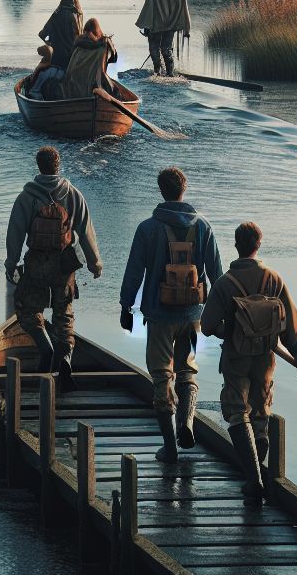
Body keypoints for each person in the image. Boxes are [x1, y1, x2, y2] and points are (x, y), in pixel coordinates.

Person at [199, 222, 297, 507]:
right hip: (266, 357)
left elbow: (208, 326)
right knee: (261, 410)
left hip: (236, 357)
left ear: (236, 245)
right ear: (259, 244)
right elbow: (292, 323)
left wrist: (229, 329)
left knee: (236, 411)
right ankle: (258, 460)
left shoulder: (225, 283)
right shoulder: (273, 278)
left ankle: (254, 479)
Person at [119, 167, 223, 462]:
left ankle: (170, 447)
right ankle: (187, 423)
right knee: (187, 370)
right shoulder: (203, 227)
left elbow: (134, 272)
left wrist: (126, 306)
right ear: (184, 189)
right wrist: (220, 312)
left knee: (162, 375)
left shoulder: (147, 228)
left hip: (159, 314)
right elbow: (218, 274)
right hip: (193, 315)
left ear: (161, 191)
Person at [6, 146, 101, 392]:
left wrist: (11, 263)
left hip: (36, 262)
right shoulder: (72, 194)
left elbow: (15, 233)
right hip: (65, 264)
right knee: (64, 313)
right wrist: (94, 263)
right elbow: (86, 230)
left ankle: (45, 346)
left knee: (27, 309)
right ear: (58, 166)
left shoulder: (26, 197)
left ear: (39, 166)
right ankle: (66, 358)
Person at [136, 0, 191, 77]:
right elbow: (184, 6)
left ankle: (157, 72)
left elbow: (149, 6)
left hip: (156, 23)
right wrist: (186, 27)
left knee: (154, 48)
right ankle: (170, 73)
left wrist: (146, 25)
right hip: (172, 23)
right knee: (167, 49)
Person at [58, 17, 117, 99]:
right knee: (114, 91)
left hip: (73, 87)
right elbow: (113, 59)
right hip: (91, 86)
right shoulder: (102, 45)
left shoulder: (78, 45)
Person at [39, 0, 84, 71]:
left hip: (56, 58)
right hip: (71, 59)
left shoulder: (56, 14)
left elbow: (42, 34)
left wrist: (48, 42)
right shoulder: (76, 15)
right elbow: (79, 39)